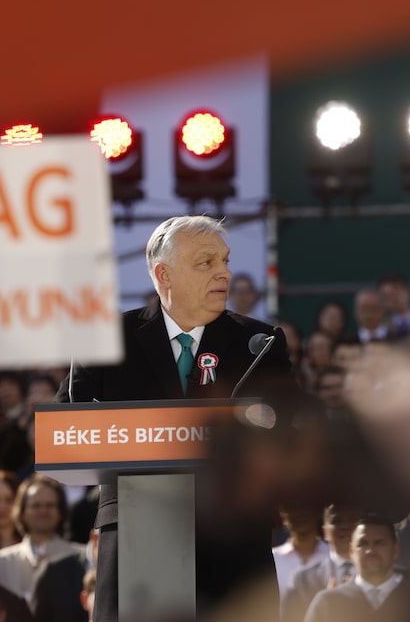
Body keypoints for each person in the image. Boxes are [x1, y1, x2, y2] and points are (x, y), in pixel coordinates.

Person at [54, 215, 297, 622]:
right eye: (206, 262)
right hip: (141, 526)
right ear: (163, 274)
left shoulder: (259, 344)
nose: (224, 272)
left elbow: (294, 429)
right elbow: (64, 428)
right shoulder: (108, 340)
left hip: (233, 534)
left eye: (225, 260)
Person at [303, 514, 410, 622]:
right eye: (363, 543)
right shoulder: (328, 603)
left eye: (379, 543)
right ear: (351, 551)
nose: (370, 550)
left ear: (395, 550)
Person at [0, 473, 83, 603]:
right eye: (36, 506)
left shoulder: (80, 558)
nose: (43, 511)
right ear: (22, 512)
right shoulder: (1, 562)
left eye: (50, 505)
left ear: (60, 512)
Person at [281, 503, 360, 622]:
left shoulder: (385, 574)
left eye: (353, 520)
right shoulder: (302, 580)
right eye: (336, 521)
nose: (345, 527)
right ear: (325, 532)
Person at [273, 501, 331, 605]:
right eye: (291, 508)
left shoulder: (335, 556)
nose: (299, 514)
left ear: (318, 512)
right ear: (282, 515)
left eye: (305, 507)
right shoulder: (274, 559)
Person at [377, 275, 410, 341]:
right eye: (387, 294)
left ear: (409, 292)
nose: (393, 296)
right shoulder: (378, 327)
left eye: (397, 290)